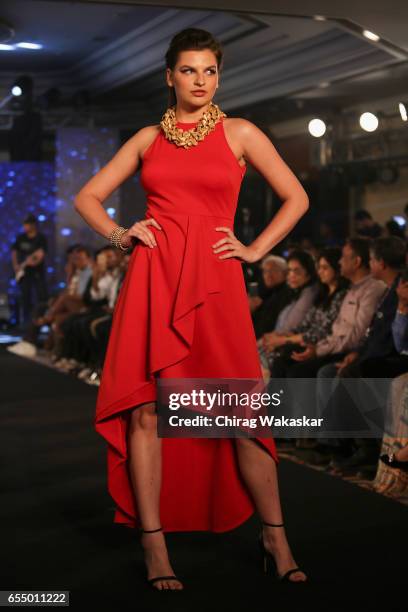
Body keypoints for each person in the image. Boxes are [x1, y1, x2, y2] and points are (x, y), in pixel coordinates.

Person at [74, 28, 310, 589]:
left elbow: (296, 196)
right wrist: (119, 234)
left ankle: (275, 535)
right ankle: (155, 548)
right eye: (189, 71)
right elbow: (87, 196)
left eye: (209, 71)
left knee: (239, 412)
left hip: (217, 283)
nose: (200, 81)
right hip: (154, 280)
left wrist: (254, 249)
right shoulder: (146, 139)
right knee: (148, 412)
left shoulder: (240, 132)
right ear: (169, 76)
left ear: (219, 76)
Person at [11, 213, 48, 330]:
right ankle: (25, 323)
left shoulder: (40, 238)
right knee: (25, 296)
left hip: (37, 272)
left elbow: (41, 254)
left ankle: (40, 322)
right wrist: (17, 265)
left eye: (27, 224)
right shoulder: (21, 237)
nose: (25, 227)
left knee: (41, 296)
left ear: (33, 225)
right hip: (24, 273)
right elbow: (14, 252)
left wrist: (32, 262)